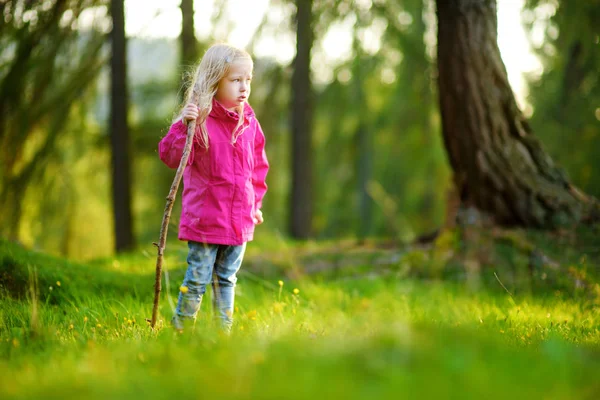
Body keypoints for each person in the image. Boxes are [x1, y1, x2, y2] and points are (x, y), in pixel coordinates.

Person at [158, 43, 269, 333]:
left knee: (227, 280)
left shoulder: (249, 123)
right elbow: (171, 157)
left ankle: (223, 335)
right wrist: (185, 125)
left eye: (248, 80)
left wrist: (255, 203)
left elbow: (257, 168)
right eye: (235, 80)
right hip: (206, 220)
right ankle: (181, 331)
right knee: (197, 279)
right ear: (214, 80)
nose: (244, 87)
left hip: (238, 220)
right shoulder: (200, 122)